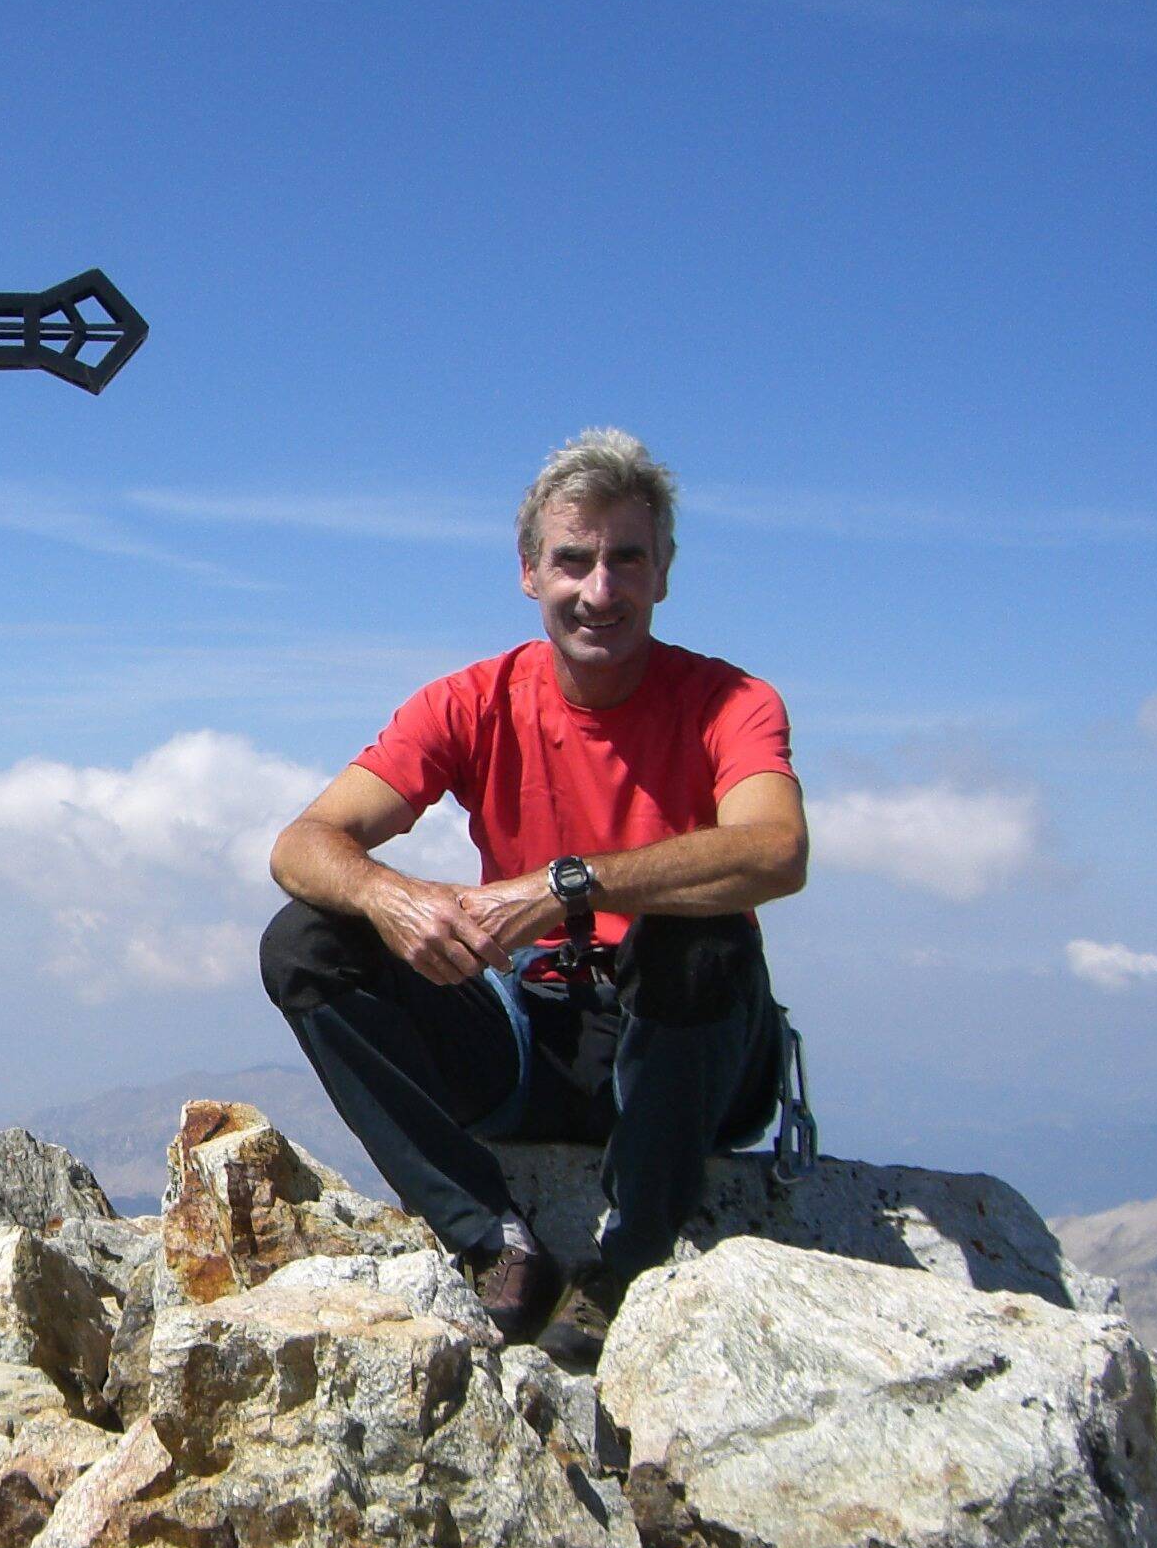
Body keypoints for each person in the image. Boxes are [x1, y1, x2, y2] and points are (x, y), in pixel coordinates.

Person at [261, 428, 807, 1345]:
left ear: (664, 573)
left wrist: (567, 887)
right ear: (529, 572)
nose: (600, 590)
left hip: (687, 1050)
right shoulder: (472, 701)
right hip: (529, 1040)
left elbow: (775, 850)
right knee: (305, 943)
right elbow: (304, 844)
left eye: (627, 559)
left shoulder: (731, 703)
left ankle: (626, 1266)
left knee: (698, 931)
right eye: (573, 561)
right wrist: (396, 899)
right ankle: (492, 1240)